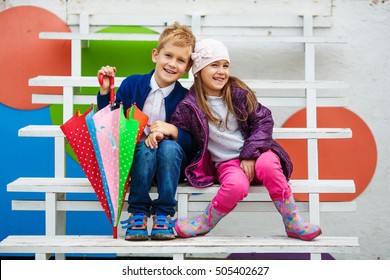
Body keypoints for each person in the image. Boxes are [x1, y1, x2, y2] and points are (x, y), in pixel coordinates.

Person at [169, 38, 322, 241]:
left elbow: (264, 121)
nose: (221, 71)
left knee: (268, 165)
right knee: (236, 186)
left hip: (257, 154)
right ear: (198, 71)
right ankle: (205, 222)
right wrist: (165, 130)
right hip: (227, 164)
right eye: (214, 65)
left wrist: (250, 154)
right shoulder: (189, 106)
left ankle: (292, 221)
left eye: (225, 65)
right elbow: (183, 135)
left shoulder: (238, 94)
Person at [97, 22, 196, 241]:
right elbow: (109, 124)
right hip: (136, 162)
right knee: (144, 148)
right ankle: (138, 212)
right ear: (155, 55)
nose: (172, 64)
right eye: (168, 56)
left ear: (188, 67)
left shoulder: (187, 98)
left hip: (170, 167)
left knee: (169, 147)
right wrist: (105, 91)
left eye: (180, 60)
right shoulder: (133, 84)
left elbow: (195, 143)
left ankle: (164, 214)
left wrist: (172, 131)